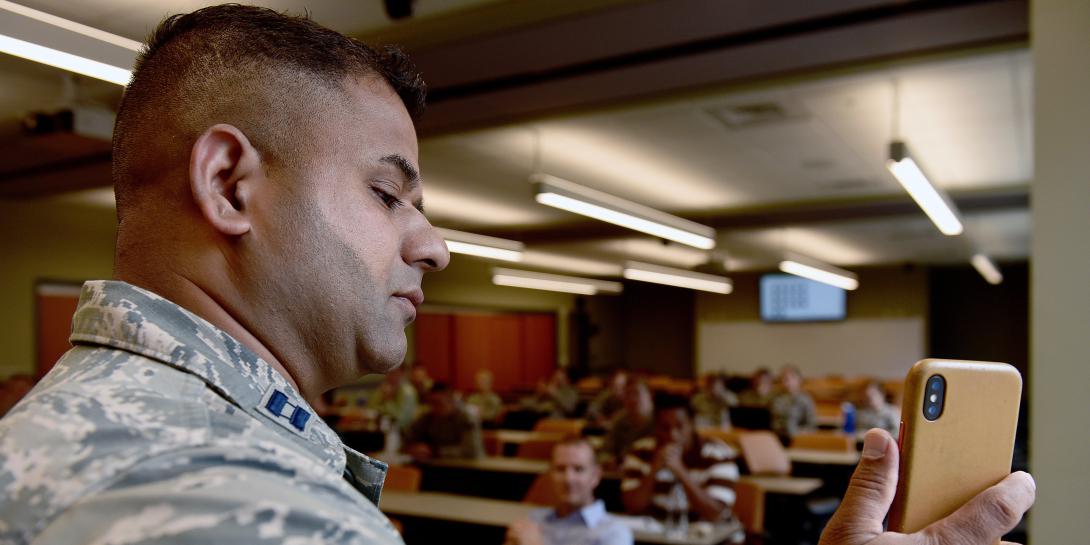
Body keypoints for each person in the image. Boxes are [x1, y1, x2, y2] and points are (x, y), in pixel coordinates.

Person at [0, 5, 1038, 545]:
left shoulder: (65, 431)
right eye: (388, 192)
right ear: (230, 181)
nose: (435, 244)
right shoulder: (235, 502)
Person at [620, 395, 740, 531]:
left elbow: (714, 515)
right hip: (659, 534)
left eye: (680, 426)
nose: (673, 434)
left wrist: (681, 471)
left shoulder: (718, 455)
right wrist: (654, 469)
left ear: (692, 424)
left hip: (710, 537)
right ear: (655, 427)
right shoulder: (640, 452)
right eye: (664, 428)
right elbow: (633, 506)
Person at [505, 438, 633, 545]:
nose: (568, 479)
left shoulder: (614, 533)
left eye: (578, 469)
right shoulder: (534, 520)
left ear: (595, 476)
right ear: (550, 475)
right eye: (560, 469)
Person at [404, 382, 484, 460]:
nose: (434, 407)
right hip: (435, 467)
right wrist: (412, 448)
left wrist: (435, 451)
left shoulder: (466, 419)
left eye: (438, 403)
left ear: (451, 401)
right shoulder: (427, 418)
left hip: (468, 469)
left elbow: (471, 451)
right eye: (431, 403)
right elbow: (407, 438)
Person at [600, 379, 655, 466]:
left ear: (650, 395)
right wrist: (610, 460)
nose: (632, 399)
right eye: (628, 394)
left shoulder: (661, 420)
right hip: (623, 472)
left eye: (636, 393)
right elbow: (606, 452)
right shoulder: (620, 420)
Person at [771, 365, 817, 443]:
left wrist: (801, 432)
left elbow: (812, 425)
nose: (785, 382)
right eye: (782, 379)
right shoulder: (776, 398)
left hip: (797, 438)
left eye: (788, 379)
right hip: (776, 438)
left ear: (798, 379)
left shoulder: (805, 400)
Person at [367, 366, 419, 430]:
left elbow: (401, 420)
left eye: (393, 373)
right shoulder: (385, 387)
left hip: (403, 433)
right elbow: (371, 408)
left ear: (402, 373)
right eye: (387, 373)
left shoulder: (407, 392)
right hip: (382, 428)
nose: (388, 376)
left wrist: (388, 400)